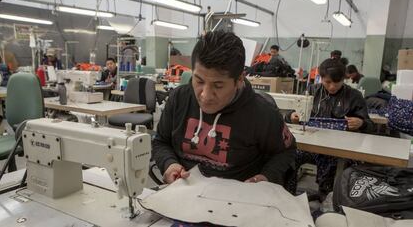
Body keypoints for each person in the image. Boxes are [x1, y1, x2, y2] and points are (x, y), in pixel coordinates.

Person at [153, 31, 296, 186]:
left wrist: (267, 177)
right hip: (185, 195)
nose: (205, 96)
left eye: (218, 85)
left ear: (239, 79)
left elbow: (286, 152)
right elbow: (161, 141)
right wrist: (169, 164)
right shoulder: (179, 99)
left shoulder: (262, 113)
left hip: (236, 202)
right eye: (199, 81)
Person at [287, 58, 375, 197]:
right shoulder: (312, 91)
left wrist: (361, 123)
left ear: (344, 79)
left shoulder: (354, 96)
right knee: (290, 156)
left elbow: (370, 126)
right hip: (314, 146)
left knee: (335, 163)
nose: (332, 87)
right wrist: (292, 116)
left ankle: (327, 197)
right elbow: (292, 112)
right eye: (328, 82)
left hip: (340, 149)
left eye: (337, 82)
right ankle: (288, 195)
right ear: (321, 78)